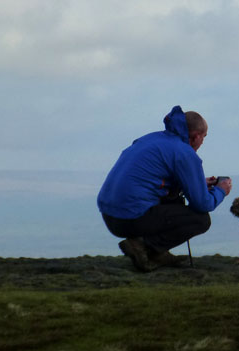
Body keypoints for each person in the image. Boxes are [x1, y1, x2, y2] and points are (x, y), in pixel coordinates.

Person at [97, 105, 232, 271]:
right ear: (196, 137)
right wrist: (221, 190)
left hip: (110, 214)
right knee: (200, 220)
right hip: (130, 217)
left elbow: (151, 177)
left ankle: (156, 253)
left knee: (175, 199)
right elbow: (203, 204)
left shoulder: (151, 139)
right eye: (204, 137)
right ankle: (145, 248)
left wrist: (197, 182)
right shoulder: (184, 153)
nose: (203, 141)